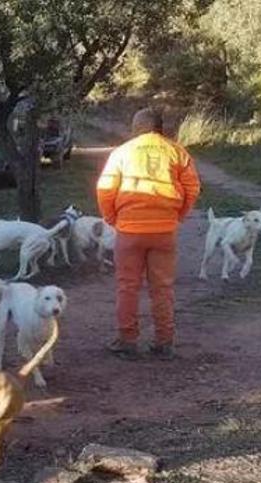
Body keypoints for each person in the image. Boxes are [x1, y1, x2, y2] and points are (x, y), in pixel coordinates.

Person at [96, 107, 201, 361]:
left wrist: (113, 218)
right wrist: (178, 215)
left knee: (127, 286)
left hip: (129, 230)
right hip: (165, 230)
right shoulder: (177, 151)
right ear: (159, 127)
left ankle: (127, 340)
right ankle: (164, 342)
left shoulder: (123, 152)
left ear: (137, 126)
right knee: (162, 288)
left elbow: (105, 189)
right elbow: (192, 188)